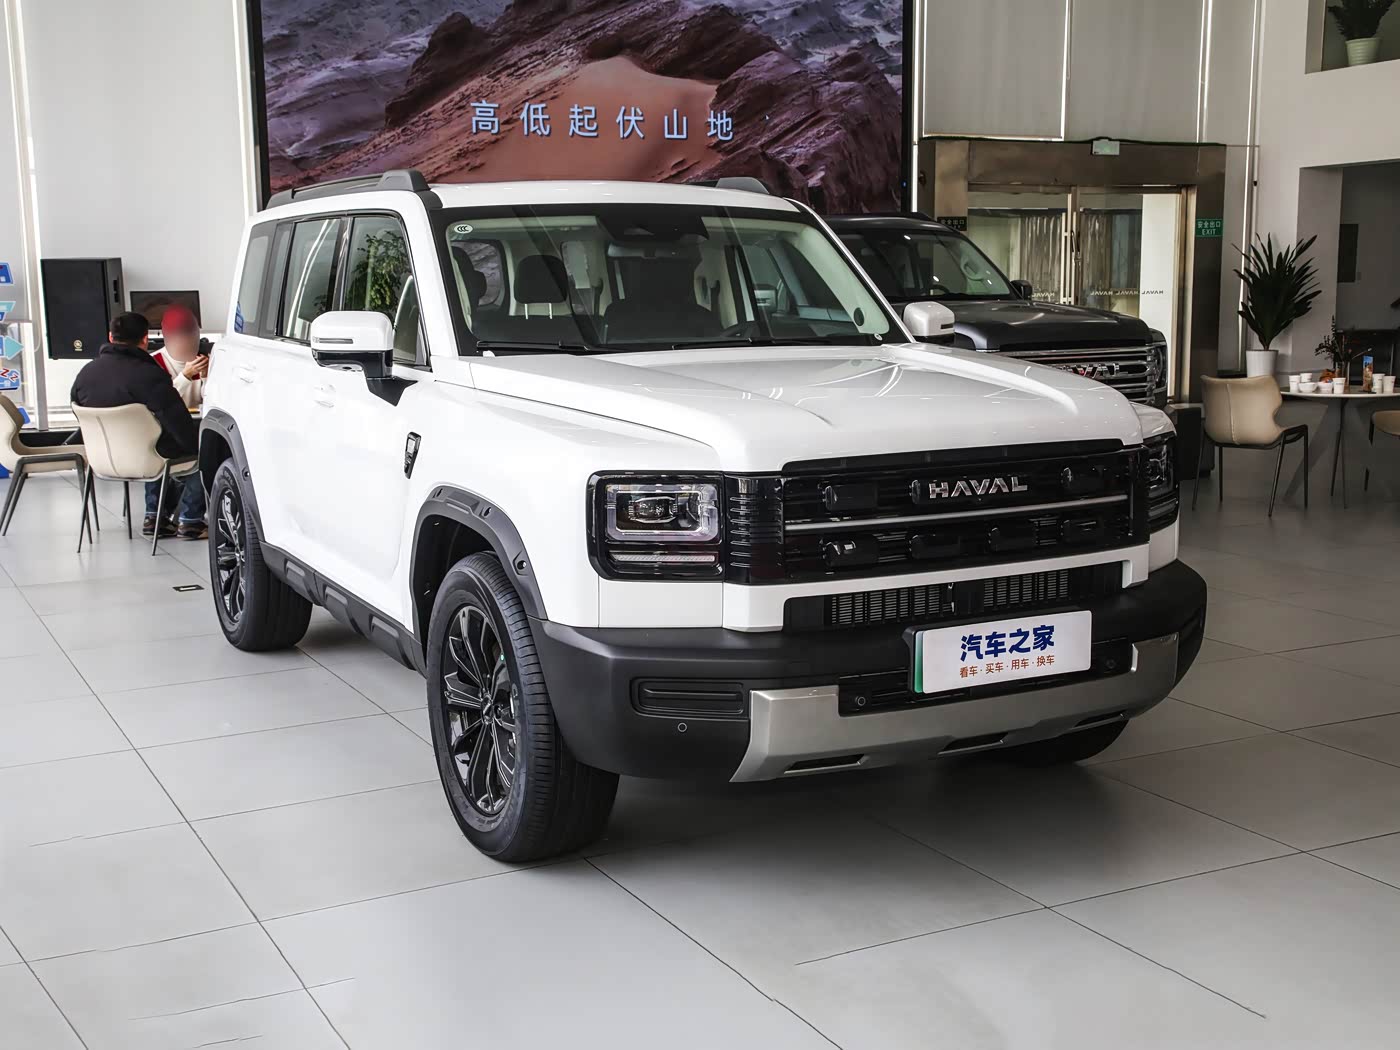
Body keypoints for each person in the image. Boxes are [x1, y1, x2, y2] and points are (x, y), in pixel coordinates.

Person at [70, 310, 205, 539]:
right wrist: (197, 448)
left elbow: (77, 412)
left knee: (156, 445)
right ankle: (191, 521)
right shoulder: (149, 375)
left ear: (110, 337)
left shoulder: (85, 374)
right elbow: (177, 420)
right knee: (198, 449)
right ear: (145, 339)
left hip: (101, 460)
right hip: (146, 459)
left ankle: (154, 517)